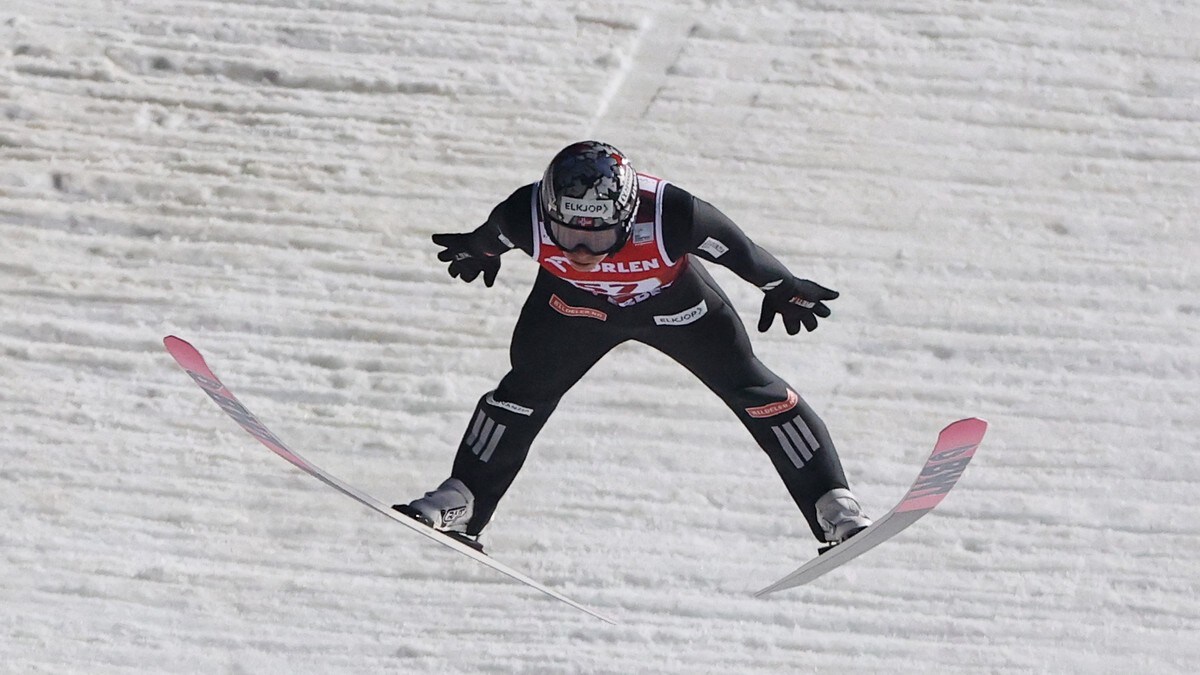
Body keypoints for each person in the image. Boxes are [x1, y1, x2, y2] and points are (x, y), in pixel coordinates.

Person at [395, 141, 871, 552]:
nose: (581, 250)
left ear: (627, 215)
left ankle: (833, 505)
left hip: (677, 310)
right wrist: (475, 252)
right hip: (572, 312)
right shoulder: (524, 214)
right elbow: (487, 240)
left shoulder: (672, 212)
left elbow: (742, 253)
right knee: (518, 397)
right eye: (568, 234)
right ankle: (463, 498)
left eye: (597, 235)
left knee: (757, 392)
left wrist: (783, 287)